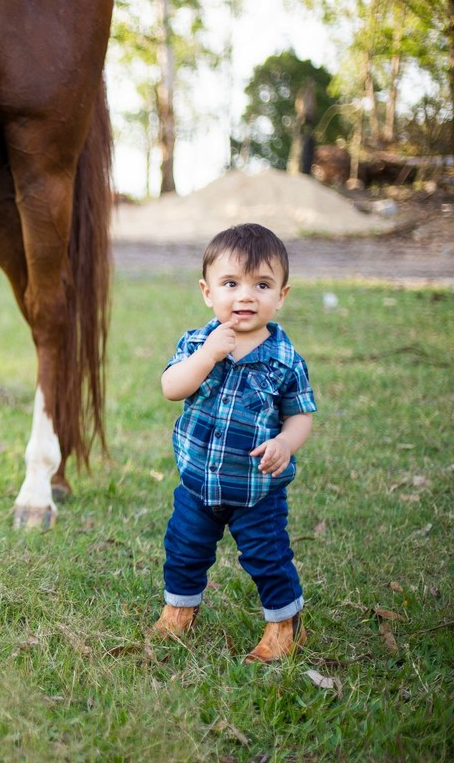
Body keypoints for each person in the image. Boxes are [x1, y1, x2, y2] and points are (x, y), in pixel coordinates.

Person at [151, 223, 317, 663]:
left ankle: (284, 625)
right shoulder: (196, 342)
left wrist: (286, 441)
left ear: (281, 294)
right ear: (208, 292)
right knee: (184, 549)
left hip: (256, 489)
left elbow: (300, 414)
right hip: (197, 484)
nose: (245, 296)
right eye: (231, 284)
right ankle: (179, 610)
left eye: (261, 284)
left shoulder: (285, 359)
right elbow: (172, 387)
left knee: (267, 556)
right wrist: (207, 354)